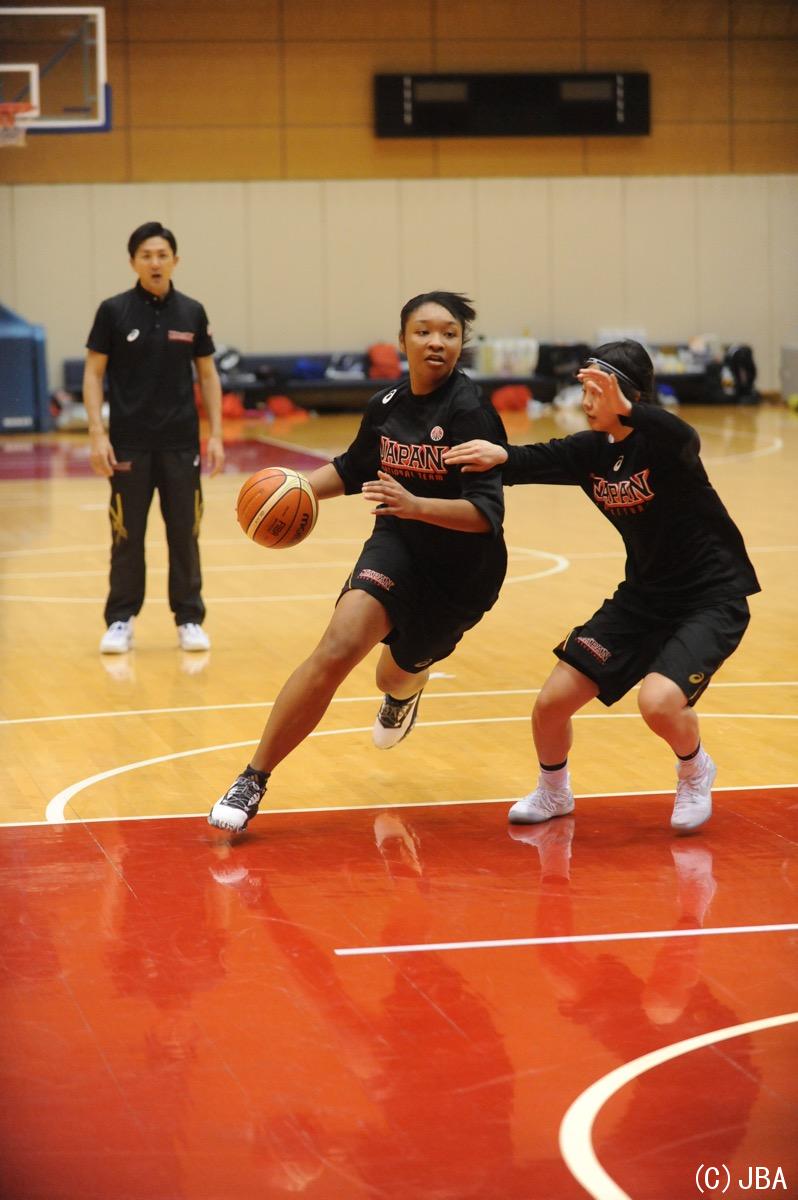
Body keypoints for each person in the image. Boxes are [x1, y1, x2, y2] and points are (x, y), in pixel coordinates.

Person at [209, 291, 507, 832]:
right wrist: (290, 490)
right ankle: (253, 777)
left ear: (461, 343)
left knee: (392, 674)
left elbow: (485, 515)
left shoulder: (471, 413)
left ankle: (405, 689)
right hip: (397, 546)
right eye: (424, 331)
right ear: (402, 341)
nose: (436, 342)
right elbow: (353, 468)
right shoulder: (387, 404)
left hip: (461, 572)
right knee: (337, 647)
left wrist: (416, 504)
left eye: (449, 333)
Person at [443, 340, 760, 834]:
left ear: (626, 395)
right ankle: (554, 792)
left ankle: (695, 770)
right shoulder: (592, 451)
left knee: (658, 702)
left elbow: (685, 436)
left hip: (710, 598)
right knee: (551, 706)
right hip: (643, 598)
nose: (586, 402)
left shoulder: (664, 444)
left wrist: (630, 409)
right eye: (585, 391)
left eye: (597, 392)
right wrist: (498, 454)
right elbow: (532, 459)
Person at [83, 220, 224, 655]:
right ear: (133, 262)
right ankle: (120, 619)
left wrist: (217, 435)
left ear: (175, 260)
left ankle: (189, 619)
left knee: (185, 534)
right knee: (126, 535)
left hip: (181, 444)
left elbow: (208, 375)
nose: (155, 262)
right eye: (146, 255)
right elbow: (93, 373)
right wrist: (97, 434)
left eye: (162, 255)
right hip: (128, 444)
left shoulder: (193, 312)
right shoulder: (113, 311)